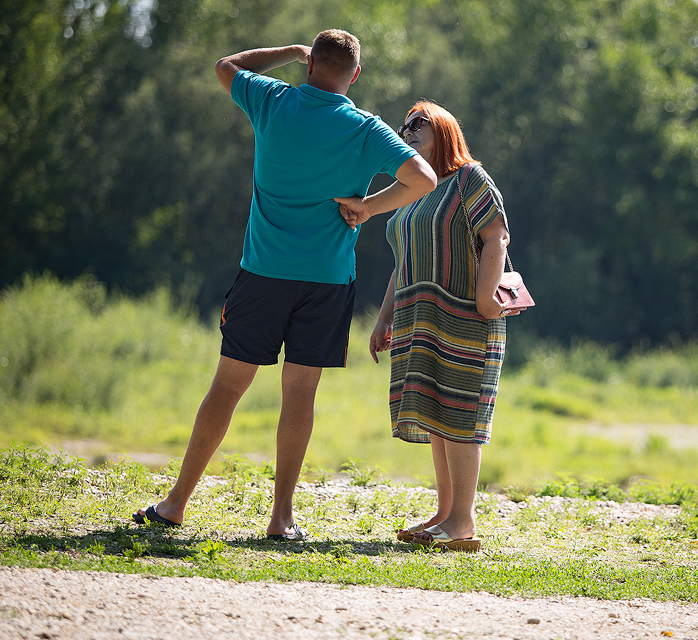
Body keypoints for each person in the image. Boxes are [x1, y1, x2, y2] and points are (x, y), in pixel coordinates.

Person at [132, 30, 437, 539]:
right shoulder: (365, 129)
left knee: (227, 386)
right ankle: (281, 519)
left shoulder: (272, 99)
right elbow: (423, 179)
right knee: (300, 394)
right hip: (327, 281)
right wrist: (368, 207)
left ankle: (176, 505)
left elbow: (226, 63)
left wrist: (289, 52)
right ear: (355, 76)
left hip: (264, 272)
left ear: (311, 64)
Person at [338, 101, 511, 552]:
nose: (409, 130)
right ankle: (445, 513)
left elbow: (496, 235)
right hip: (420, 318)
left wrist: (486, 298)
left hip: (464, 317)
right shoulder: (412, 189)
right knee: (437, 415)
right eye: (405, 125)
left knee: (459, 416)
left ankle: (463, 522)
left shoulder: (469, 178)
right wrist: (383, 317)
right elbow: (404, 261)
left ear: (445, 131)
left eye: (420, 124)